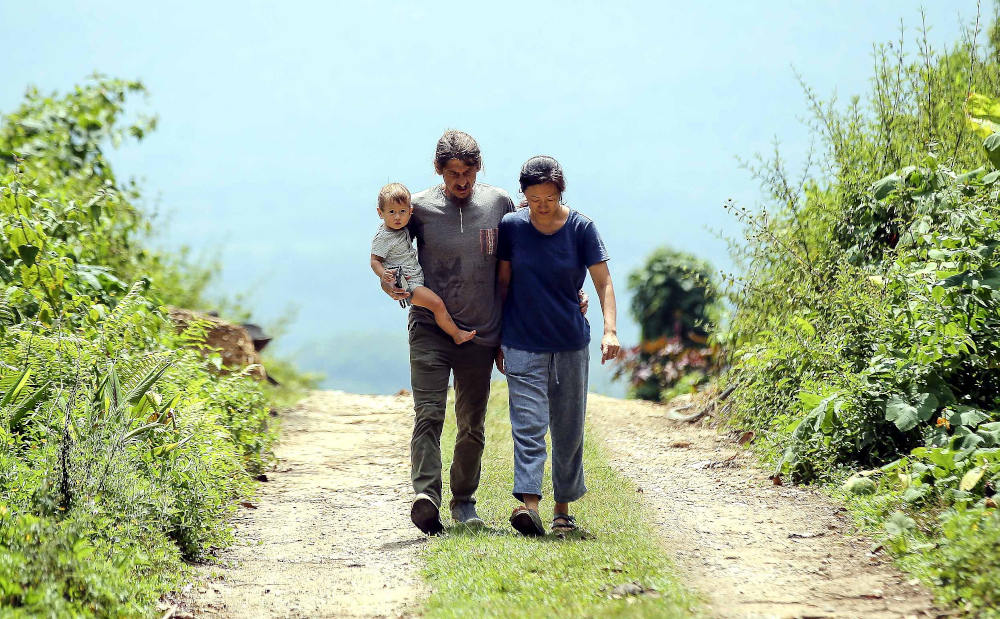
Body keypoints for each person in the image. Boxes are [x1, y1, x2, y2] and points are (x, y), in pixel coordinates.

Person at [380, 130, 513, 534]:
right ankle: (426, 496)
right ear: (438, 170)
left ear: (479, 169)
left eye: (468, 173)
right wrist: (388, 281)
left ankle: (464, 502)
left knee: (471, 423)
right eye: (453, 173)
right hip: (429, 328)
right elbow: (388, 248)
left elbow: (519, 263)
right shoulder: (417, 208)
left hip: (481, 332)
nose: (461, 181)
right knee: (429, 413)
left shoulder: (499, 203)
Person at [497, 155, 619, 536]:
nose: (542, 205)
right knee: (528, 425)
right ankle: (529, 506)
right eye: (534, 199)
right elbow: (502, 283)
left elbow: (603, 282)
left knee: (568, 429)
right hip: (521, 341)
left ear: (561, 192)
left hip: (569, 344)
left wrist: (610, 330)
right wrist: (497, 337)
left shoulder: (582, 228)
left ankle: (562, 511)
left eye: (549, 198)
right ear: (524, 195)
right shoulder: (512, 227)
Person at [369, 182, 476, 346]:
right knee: (437, 305)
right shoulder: (384, 236)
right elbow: (375, 260)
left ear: (410, 211)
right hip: (407, 283)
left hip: (414, 278)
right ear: (380, 213)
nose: (397, 217)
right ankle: (456, 334)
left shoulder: (400, 228)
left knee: (434, 306)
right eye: (391, 212)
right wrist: (383, 274)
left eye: (402, 211)